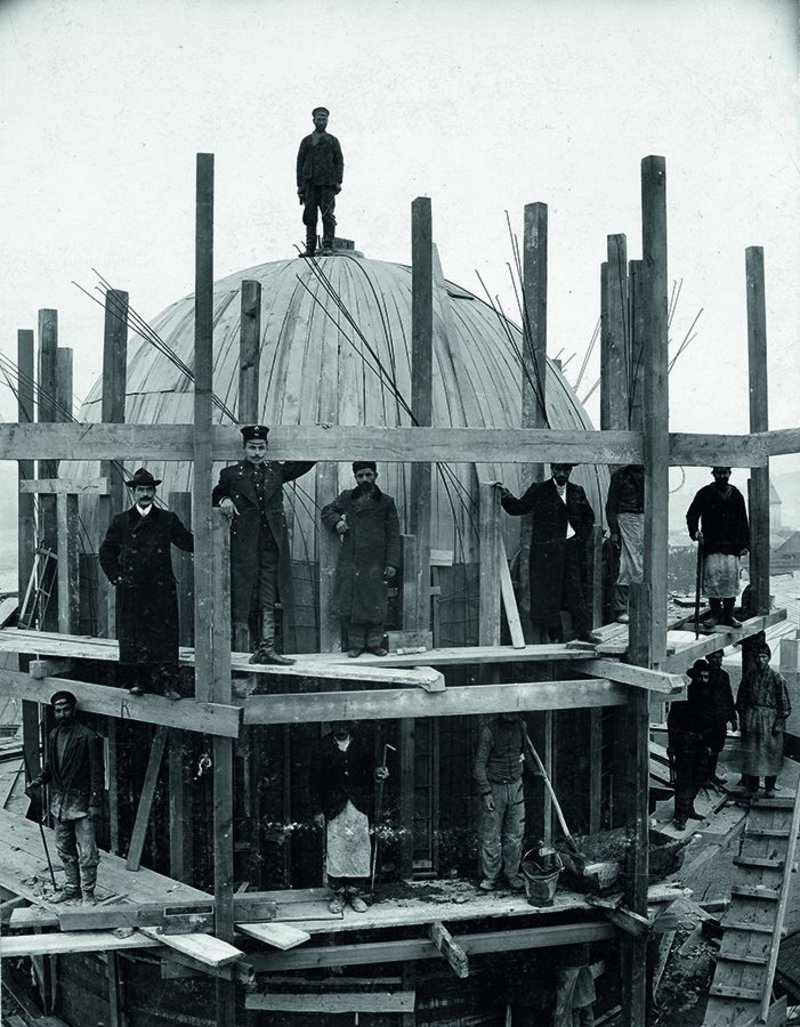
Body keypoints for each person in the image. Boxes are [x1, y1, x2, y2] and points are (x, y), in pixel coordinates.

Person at [212, 425, 314, 665]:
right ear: (244, 448)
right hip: (244, 546)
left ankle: (267, 648)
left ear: (266, 448)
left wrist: (322, 433)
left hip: (271, 545)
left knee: (269, 595)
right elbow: (215, 494)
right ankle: (247, 650)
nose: (257, 453)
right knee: (245, 595)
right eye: (252, 448)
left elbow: (306, 463)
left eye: (261, 448)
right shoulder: (231, 474)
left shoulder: (277, 471)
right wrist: (225, 499)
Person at [99, 468, 194, 699]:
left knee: (164, 639)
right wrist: (118, 577)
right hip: (133, 590)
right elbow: (106, 552)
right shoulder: (121, 521)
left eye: (149, 490)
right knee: (135, 637)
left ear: (154, 492)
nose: (145, 494)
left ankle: (166, 685)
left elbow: (189, 543)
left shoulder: (167, 519)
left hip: (160, 590)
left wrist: (210, 527)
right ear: (134, 493)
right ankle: (139, 682)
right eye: (141, 490)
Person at [495, 464, 601, 644]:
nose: (562, 474)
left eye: (565, 470)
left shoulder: (577, 491)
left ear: (570, 471)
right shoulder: (540, 490)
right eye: (558, 470)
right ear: (552, 469)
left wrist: (579, 537)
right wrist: (504, 494)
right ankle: (556, 636)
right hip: (547, 553)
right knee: (549, 594)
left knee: (575, 591)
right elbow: (519, 507)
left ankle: (584, 632)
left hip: (570, 550)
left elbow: (589, 517)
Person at [25, 691, 104, 905]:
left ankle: (88, 893)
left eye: (66, 709)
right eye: (58, 710)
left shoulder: (88, 736)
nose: (62, 714)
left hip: (82, 805)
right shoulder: (53, 735)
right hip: (60, 804)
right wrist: (38, 781)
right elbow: (50, 767)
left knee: (88, 853)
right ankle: (72, 889)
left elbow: (97, 774)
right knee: (64, 849)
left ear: (74, 709)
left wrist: (95, 803)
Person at [320, 461, 400, 657]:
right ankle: (355, 645)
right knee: (352, 602)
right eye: (360, 476)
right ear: (355, 477)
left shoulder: (386, 502)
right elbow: (326, 511)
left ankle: (374, 644)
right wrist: (337, 521)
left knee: (376, 602)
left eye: (368, 475)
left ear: (376, 475)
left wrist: (392, 563)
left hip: (377, 562)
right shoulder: (348, 497)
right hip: (352, 560)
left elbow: (393, 534)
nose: (364, 479)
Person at [311, 721, 388, 913]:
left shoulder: (361, 744)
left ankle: (354, 893)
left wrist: (379, 772)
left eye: (344, 724)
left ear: (350, 725)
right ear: (331, 725)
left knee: (359, 847)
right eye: (337, 724)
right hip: (334, 806)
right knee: (337, 849)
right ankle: (338, 894)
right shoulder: (323, 746)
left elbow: (373, 768)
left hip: (358, 805)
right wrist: (318, 810)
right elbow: (313, 780)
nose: (341, 728)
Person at [474, 713, 535, 891]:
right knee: (491, 836)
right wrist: (486, 792)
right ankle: (490, 877)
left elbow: (526, 753)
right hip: (495, 788)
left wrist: (535, 770)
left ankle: (512, 875)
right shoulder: (489, 730)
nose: (511, 715)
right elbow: (479, 766)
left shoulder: (521, 726)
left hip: (516, 785)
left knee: (515, 835)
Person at [686, 467, 750, 629]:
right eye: (719, 473)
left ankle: (728, 616)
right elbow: (692, 514)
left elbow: (743, 520)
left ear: (729, 474)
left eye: (725, 473)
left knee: (730, 581)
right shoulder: (705, 493)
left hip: (731, 546)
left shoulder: (736, 495)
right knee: (713, 580)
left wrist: (744, 544)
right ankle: (715, 614)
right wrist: (695, 531)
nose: (722, 476)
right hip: (712, 545)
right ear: (713, 474)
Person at [736, 642, 791, 798]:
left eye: (764, 657)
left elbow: (785, 704)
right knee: (752, 753)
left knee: (771, 753)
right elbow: (741, 699)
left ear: (768, 658)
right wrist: (743, 719)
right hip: (751, 716)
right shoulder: (749, 676)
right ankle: (752, 786)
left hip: (770, 719)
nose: (760, 660)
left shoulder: (777, 678)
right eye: (758, 657)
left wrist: (779, 722)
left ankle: (770, 786)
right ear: (754, 658)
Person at [296, 106, 344, 258]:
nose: (322, 122)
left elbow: (339, 162)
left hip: (327, 184)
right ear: (314, 121)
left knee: (327, 215)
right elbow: (299, 163)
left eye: (324, 119)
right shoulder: (306, 141)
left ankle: (328, 245)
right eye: (319, 119)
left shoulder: (332, 141)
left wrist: (338, 181)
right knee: (310, 216)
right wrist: (300, 185)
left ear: (327, 121)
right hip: (310, 184)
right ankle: (310, 248)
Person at [688, 651, 737, 786]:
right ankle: (703, 778)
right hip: (705, 719)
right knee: (705, 748)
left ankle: (711, 774)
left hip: (720, 718)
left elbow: (729, 696)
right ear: (709, 658)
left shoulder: (724, 675)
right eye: (715, 658)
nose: (718, 660)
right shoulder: (703, 674)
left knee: (716, 748)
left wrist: (733, 717)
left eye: (720, 657)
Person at [604, 464, 644, 624]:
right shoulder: (620, 476)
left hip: (645, 519)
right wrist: (614, 530)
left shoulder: (649, 472)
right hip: (626, 520)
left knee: (643, 565)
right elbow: (611, 506)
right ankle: (621, 608)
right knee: (627, 565)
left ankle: (641, 606)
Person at [667, 695, 709, 831]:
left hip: (699, 747)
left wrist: (708, 744)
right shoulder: (679, 703)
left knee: (698, 778)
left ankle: (689, 808)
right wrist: (673, 745)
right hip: (684, 748)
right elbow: (672, 726)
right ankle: (680, 816)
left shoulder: (704, 700)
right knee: (683, 782)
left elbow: (708, 724)